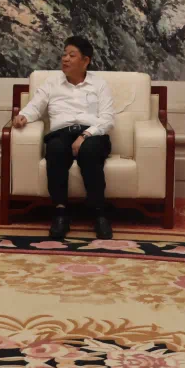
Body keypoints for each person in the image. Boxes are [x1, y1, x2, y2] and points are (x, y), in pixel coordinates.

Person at [12, 35, 116, 240]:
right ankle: (61, 213)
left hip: (92, 133)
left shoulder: (99, 84)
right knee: (55, 150)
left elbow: (107, 119)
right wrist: (23, 116)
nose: (65, 59)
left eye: (72, 55)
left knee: (90, 151)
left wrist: (85, 135)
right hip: (62, 133)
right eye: (64, 54)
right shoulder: (52, 83)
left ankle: (99, 214)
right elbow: (35, 106)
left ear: (86, 61)